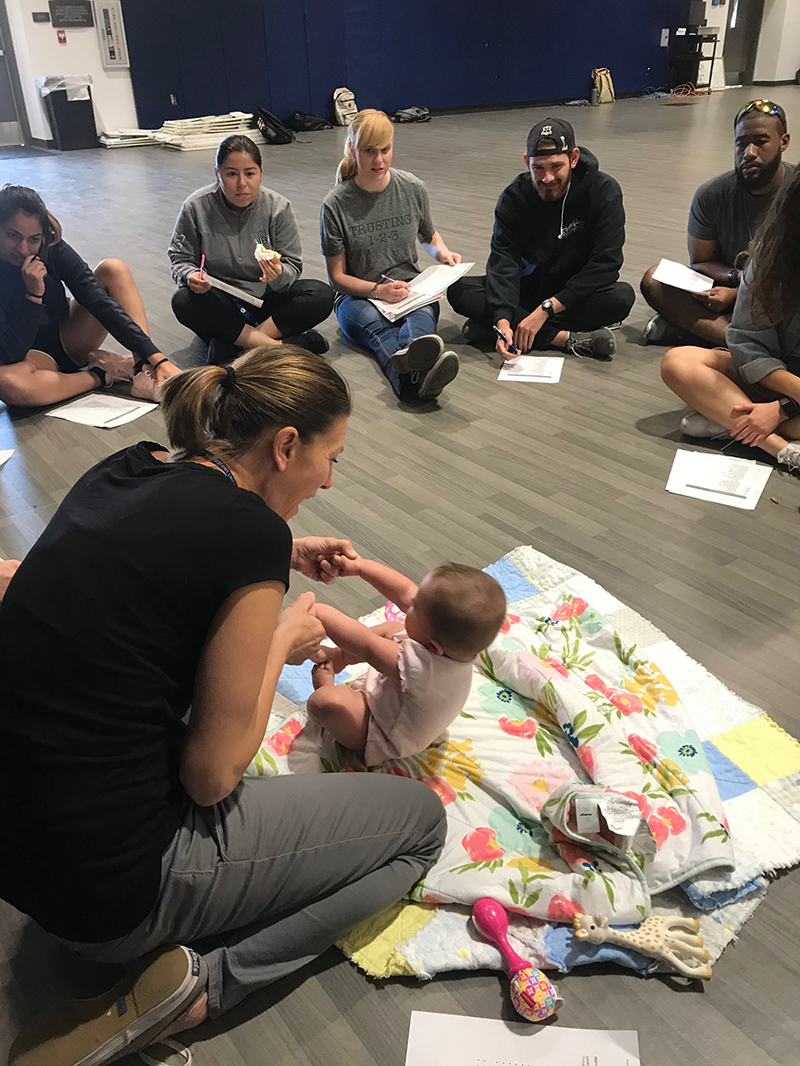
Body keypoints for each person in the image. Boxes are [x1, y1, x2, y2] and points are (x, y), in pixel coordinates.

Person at [2, 347, 446, 1066]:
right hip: (106, 892)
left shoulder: (128, 465)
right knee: (421, 825)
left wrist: (280, 554)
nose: (330, 479)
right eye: (330, 458)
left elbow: (160, 568)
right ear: (286, 446)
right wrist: (281, 638)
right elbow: (211, 776)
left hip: (23, 853)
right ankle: (202, 987)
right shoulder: (248, 537)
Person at [448, 118, 635, 362]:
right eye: (538, 168)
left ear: (574, 158)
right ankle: (563, 339)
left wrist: (547, 309)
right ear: (527, 162)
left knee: (621, 297)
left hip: (572, 294)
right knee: (459, 290)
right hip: (530, 287)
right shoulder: (514, 197)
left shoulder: (604, 191)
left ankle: (503, 328)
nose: (547, 178)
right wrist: (504, 318)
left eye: (556, 166)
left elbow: (606, 264)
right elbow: (503, 261)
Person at [661, 162, 800, 475]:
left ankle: (730, 420)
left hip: (787, 398)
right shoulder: (771, 257)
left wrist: (781, 409)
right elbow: (747, 341)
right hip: (776, 377)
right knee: (677, 363)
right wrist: (790, 396)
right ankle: (780, 448)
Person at [320, 109, 461, 403]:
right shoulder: (335, 204)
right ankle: (417, 377)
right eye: (369, 151)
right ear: (351, 149)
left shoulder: (412, 188)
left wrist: (443, 254)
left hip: (409, 288)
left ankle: (411, 375)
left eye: (385, 150)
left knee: (420, 319)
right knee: (380, 331)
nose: (379, 160)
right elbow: (337, 277)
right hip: (357, 298)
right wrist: (378, 291)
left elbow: (428, 235)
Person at [308, 557, 506, 765]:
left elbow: (365, 645)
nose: (409, 603)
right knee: (394, 629)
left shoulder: (427, 670)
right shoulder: (451, 650)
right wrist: (360, 567)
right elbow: (405, 591)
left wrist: (321, 613)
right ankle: (340, 657)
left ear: (433, 647)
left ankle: (324, 685)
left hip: (381, 732)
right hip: (397, 699)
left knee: (327, 701)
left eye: (415, 608)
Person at [0, 184, 179, 408]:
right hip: (27, 357)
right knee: (9, 383)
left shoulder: (51, 247)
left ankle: (143, 369)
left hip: (67, 335)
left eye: (33, 239)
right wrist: (34, 295)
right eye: (12, 235)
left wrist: (155, 356)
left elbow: (99, 302)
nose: (23, 249)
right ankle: (101, 374)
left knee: (113, 269)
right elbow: (11, 354)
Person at [169, 135, 334, 364]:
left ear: (261, 174)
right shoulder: (196, 207)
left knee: (322, 295)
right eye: (231, 174)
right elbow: (180, 259)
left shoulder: (278, 207)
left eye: (249, 173)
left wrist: (278, 275)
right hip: (222, 303)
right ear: (217, 174)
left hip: (266, 300)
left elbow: (292, 267)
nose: (241, 184)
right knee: (183, 301)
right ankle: (285, 348)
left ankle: (234, 347)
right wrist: (190, 276)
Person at [641, 99, 792, 349]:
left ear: (783, 142)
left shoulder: (795, 190)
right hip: (729, 287)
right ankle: (746, 343)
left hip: (781, 293)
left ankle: (702, 331)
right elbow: (701, 262)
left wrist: (740, 292)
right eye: (741, 143)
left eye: (761, 141)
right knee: (655, 279)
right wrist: (735, 279)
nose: (749, 152)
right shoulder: (712, 194)